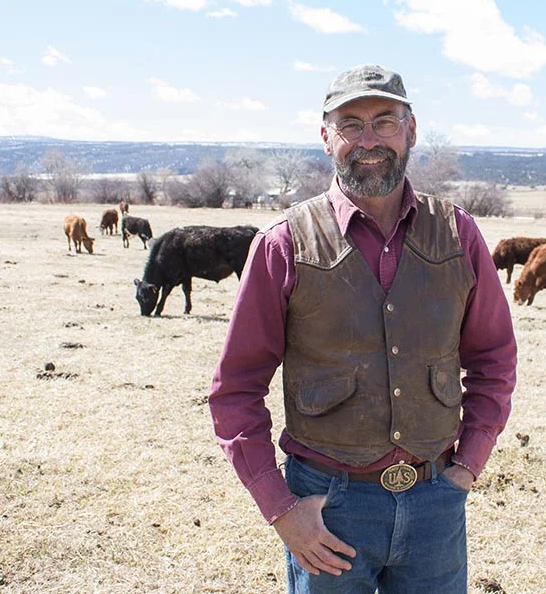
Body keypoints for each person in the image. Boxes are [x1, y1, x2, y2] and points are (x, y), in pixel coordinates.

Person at [209, 64, 517, 593]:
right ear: (326, 137)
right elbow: (235, 391)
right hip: (328, 509)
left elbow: (494, 359)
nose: (368, 140)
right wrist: (281, 510)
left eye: (385, 121)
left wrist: (465, 468)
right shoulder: (284, 244)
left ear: (412, 130)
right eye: (350, 124)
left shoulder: (458, 233)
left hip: (434, 500)